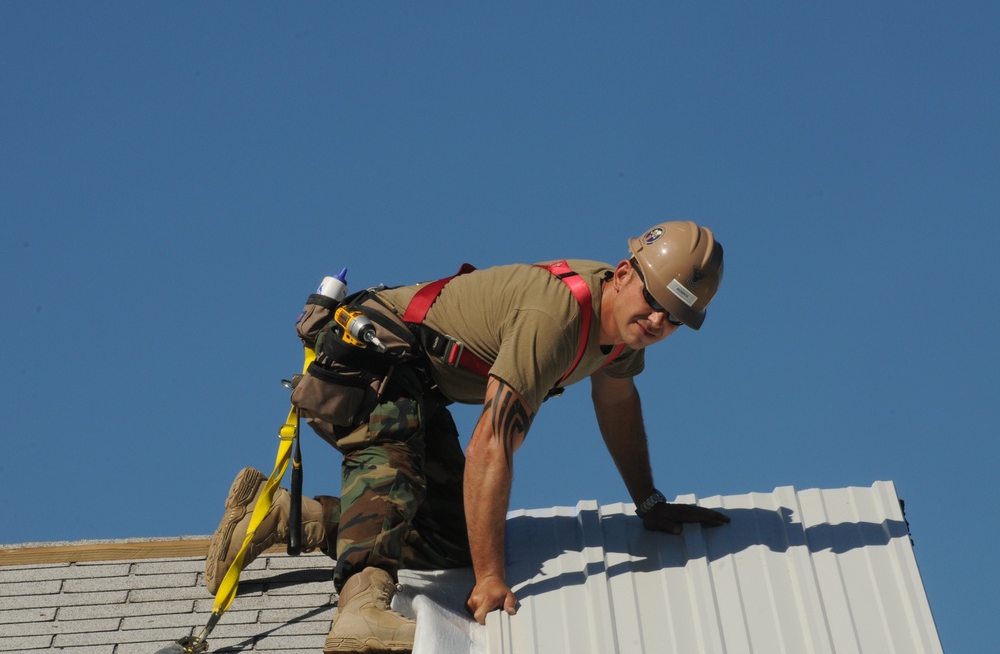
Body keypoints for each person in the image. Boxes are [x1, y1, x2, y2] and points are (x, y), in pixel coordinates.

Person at [204, 220, 730, 653]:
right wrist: (490, 580)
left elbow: (616, 403)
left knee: (451, 541)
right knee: (395, 468)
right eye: (654, 299)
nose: (659, 319)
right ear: (622, 274)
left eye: (676, 316)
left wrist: (650, 503)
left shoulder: (623, 338)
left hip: (420, 381)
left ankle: (277, 519)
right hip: (375, 352)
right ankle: (360, 610)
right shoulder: (556, 316)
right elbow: (490, 445)